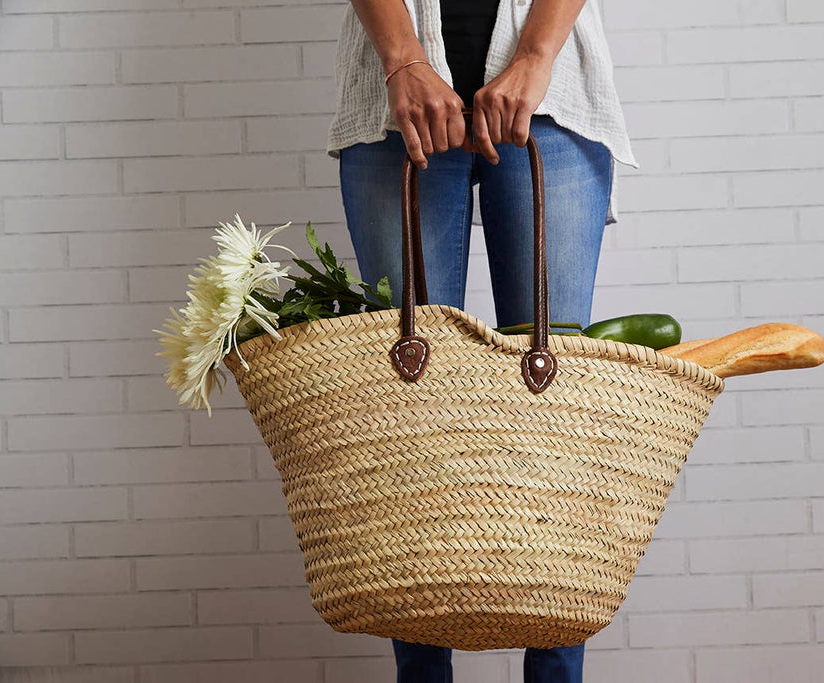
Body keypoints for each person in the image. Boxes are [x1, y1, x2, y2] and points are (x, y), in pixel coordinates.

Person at [325, 0, 636, 681]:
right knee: (411, 421)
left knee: (554, 420)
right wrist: (405, 57)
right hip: (394, 100)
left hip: (551, 98)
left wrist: (532, 57)